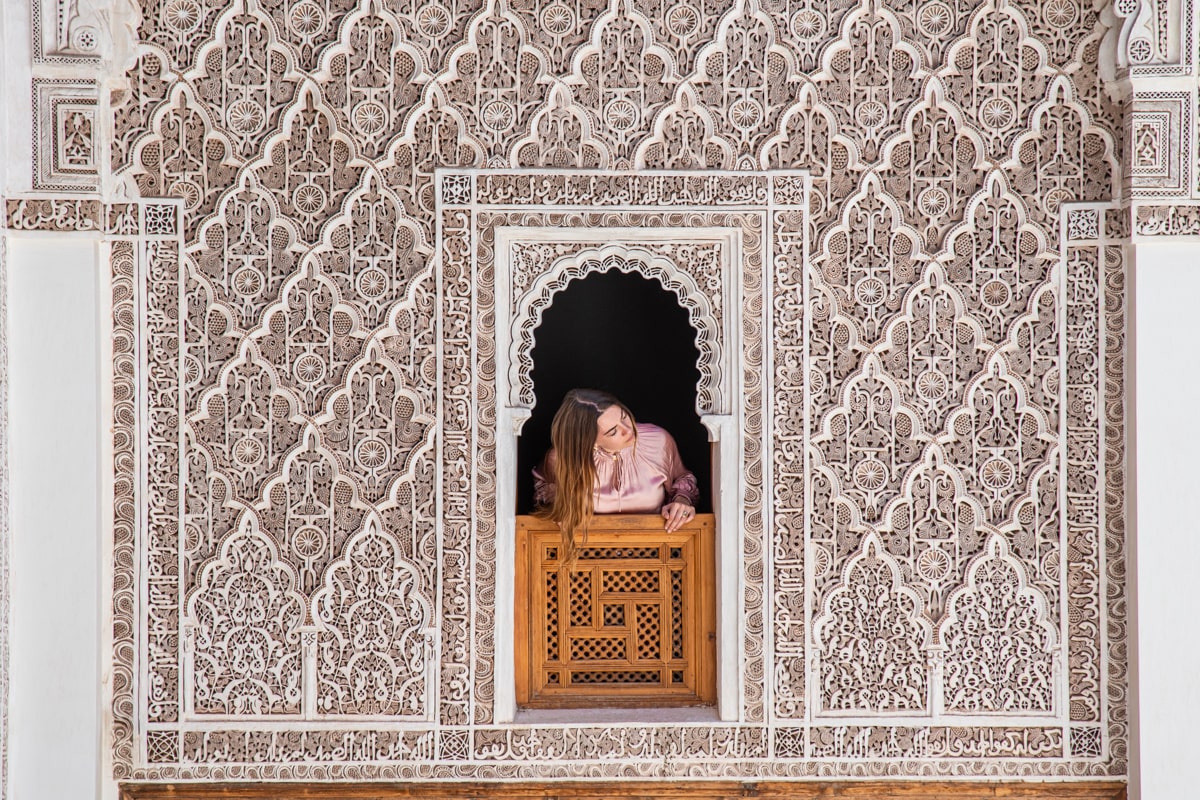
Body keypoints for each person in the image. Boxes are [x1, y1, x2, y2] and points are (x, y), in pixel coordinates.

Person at [533, 388, 700, 559]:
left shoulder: (658, 441)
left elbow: (682, 478)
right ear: (589, 441)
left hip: (657, 555)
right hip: (589, 560)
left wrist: (682, 502)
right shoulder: (561, 459)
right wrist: (559, 507)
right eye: (613, 431)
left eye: (624, 417)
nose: (628, 430)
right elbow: (544, 491)